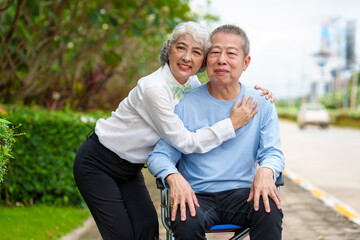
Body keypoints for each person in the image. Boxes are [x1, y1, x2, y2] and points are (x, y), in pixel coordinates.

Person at [73, 22, 275, 240]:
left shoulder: (191, 83)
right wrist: (232, 124)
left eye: (196, 52)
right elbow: (186, 142)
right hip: (99, 162)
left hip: (130, 168)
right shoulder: (154, 88)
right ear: (169, 49)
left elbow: (214, 96)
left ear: (202, 60)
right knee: (122, 235)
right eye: (181, 48)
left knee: (147, 229)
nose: (187, 57)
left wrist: (260, 95)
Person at [148, 24, 285, 240]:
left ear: (245, 63)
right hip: (197, 196)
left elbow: (273, 152)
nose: (222, 60)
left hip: (243, 195)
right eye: (215, 52)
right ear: (206, 61)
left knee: (269, 209)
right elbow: (160, 155)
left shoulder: (262, 103)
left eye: (231, 53)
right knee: (184, 219)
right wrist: (173, 177)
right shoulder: (185, 103)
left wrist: (266, 171)